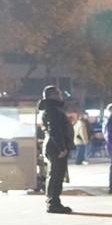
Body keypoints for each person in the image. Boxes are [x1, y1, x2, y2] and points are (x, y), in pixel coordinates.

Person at [38, 85, 74, 214]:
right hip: (55, 147)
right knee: (55, 175)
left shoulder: (52, 109)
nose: (61, 95)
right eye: (58, 93)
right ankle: (53, 203)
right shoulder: (52, 110)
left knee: (56, 175)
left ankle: (54, 202)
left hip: (54, 146)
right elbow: (55, 130)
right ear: (52, 95)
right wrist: (62, 148)